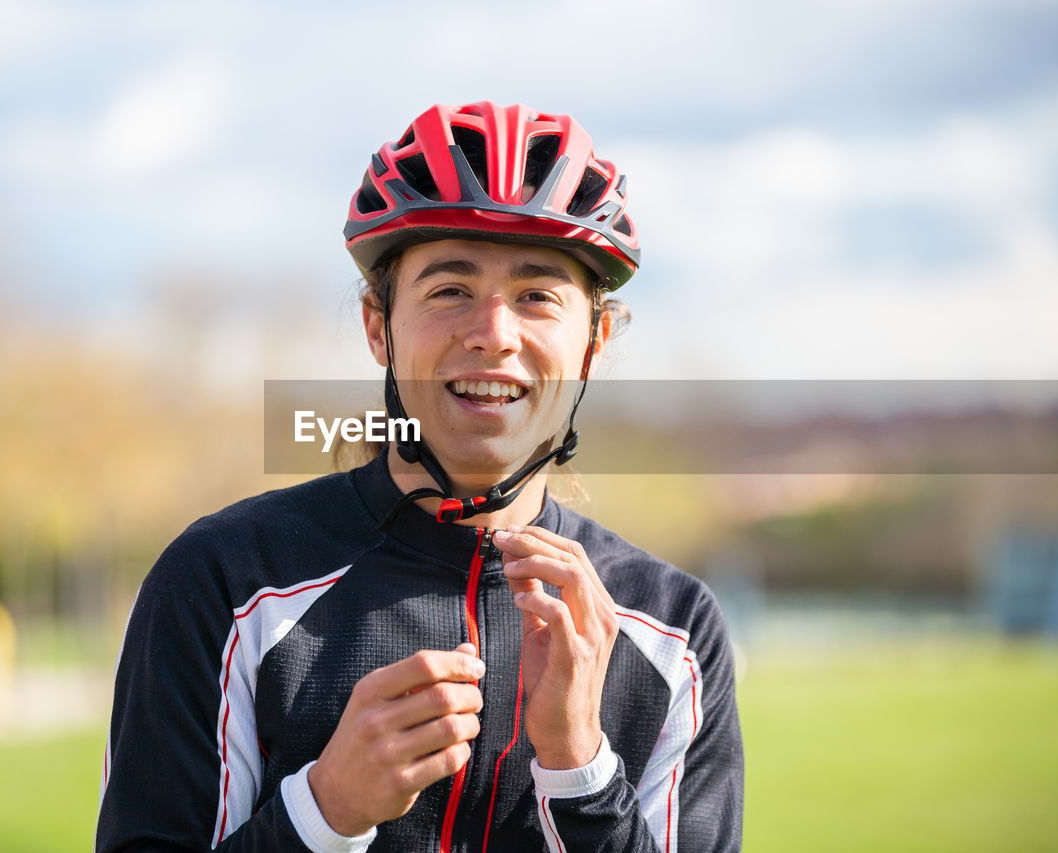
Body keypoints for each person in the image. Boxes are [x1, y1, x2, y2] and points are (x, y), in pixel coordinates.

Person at [96, 101, 743, 852]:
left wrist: (582, 771)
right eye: (449, 289)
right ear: (379, 326)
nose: (493, 332)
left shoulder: (674, 633)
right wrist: (323, 809)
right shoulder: (224, 581)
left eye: (537, 296)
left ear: (594, 341)